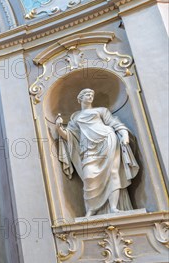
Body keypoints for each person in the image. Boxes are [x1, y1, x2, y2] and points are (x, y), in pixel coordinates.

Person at [55, 88, 139, 217]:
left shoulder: (101, 111)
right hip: (88, 148)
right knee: (89, 177)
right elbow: (69, 136)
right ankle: (92, 209)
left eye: (91, 94)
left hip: (107, 140)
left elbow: (114, 123)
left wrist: (124, 135)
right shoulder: (75, 117)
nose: (90, 96)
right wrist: (58, 127)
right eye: (87, 94)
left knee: (113, 172)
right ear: (80, 98)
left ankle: (113, 207)